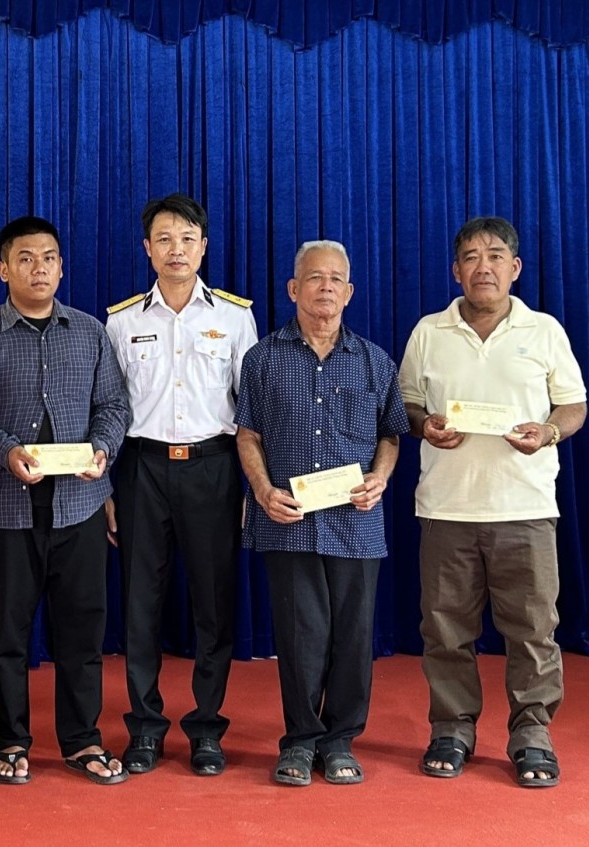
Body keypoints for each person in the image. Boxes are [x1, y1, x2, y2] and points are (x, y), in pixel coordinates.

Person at [399, 216, 586, 788]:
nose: (484, 266)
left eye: (496, 255)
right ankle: (452, 729)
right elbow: (405, 407)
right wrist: (424, 425)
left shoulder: (545, 330)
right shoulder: (428, 331)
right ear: (456, 271)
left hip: (525, 508)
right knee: (445, 630)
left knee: (533, 630)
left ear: (515, 268)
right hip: (447, 508)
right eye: (472, 257)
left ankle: (531, 733)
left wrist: (548, 432)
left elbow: (572, 406)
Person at [0, 215, 131, 786]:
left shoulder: (89, 331)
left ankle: (81, 740)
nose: (39, 268)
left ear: (62, 266)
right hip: (4, 506)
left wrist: (103, 449)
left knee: (82, 632)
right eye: (26, 258)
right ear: (4, 268)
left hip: (78, 505)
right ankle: (10, 740)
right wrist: (6, 452)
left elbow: (113, 407)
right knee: (7, 633)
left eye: (49, 258)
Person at [235, 240, 407, 787]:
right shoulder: (262, 358)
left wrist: (380, 477)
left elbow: (391, 434)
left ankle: (339, 741)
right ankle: (300, 741)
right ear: (293, 289)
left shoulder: (375, 360)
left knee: (353, 638)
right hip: (287, 520)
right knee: (299, 635)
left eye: (336, 278)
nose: (326, 286)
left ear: (350, 292)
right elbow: (248, 435)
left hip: (356, 524)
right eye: (314, 277)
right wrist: (262, 490)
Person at [104, 193, 258, 776]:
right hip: (142, 469)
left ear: (204, 246)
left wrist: (248, 486)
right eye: (164, 239)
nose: (176, 250)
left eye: (187, 239)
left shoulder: (234, 317)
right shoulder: (121, 321)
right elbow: (110, 411)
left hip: (213, 468)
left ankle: (207, 728)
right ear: (147, 248)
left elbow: (251, 412)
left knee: (214, 604)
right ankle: (144, 728)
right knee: (140, 604)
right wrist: (109, 493)